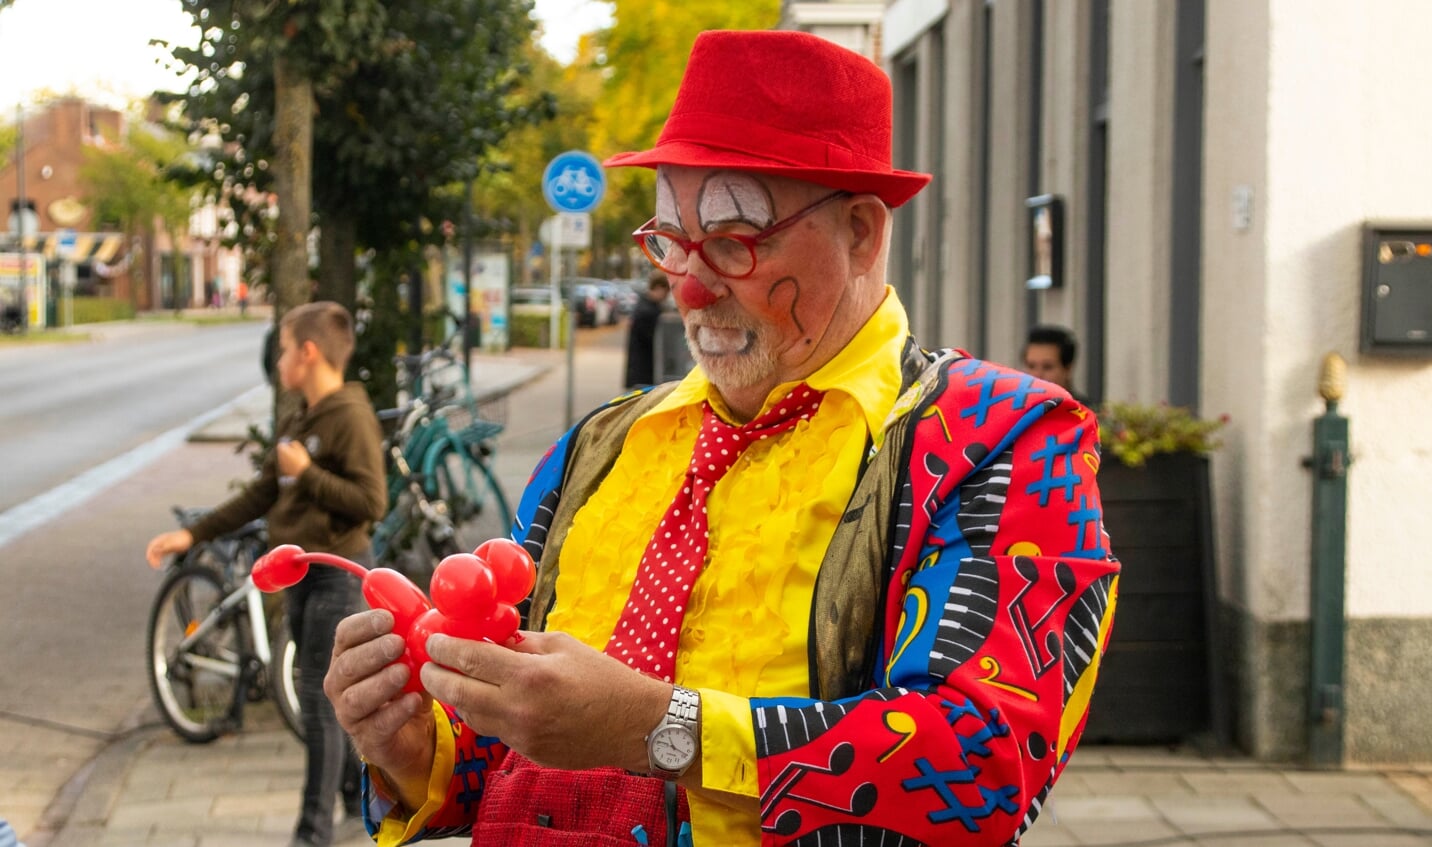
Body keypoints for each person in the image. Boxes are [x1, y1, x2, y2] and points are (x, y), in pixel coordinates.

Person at [325, 30, 1120, 847]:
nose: (692, 288)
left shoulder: (1001, 439)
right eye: (669, 241)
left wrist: (656, 728)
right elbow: (518, 751)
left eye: (736, 240)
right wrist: (416, 748)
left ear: (859, 232)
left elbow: (980, 770)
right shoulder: (601, 446)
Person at [146, 301, 387, 847]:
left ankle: (312, 833)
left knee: (319, 701)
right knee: (328, 699)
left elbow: (371, 501)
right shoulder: (301, 416)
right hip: (301, 576)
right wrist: (195, 534)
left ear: (307, 352)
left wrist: (309, 473)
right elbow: (263, 492)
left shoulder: (349, 417)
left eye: (282, 350)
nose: (277, 361)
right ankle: (354, 799)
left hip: (335, 576)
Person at [623, 269, 672, 390]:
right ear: (659, 287)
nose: (667, 296)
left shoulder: (643, 305)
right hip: (644, 374)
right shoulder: (648, 311)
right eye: (666, 291)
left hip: (639, 373)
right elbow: (658, 342)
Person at [1022, 324, 1091, 407]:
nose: (1037, 375)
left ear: (1067, 369)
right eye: (1031, 366)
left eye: (1047, 367)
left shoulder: (1086, 415)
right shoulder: (1015, 413)